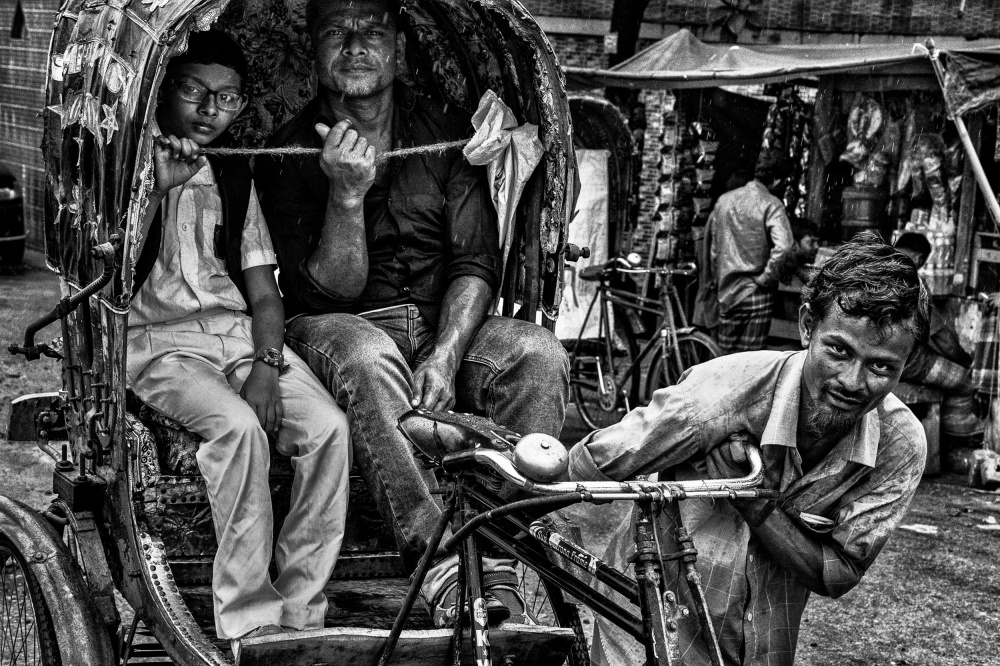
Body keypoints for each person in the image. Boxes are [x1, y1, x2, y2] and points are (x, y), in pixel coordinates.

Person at [254, 0, 569, 626]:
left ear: (398, 49)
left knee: (538, 355)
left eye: (372, 32)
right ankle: (441, 564)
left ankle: (499, 555)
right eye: (336, 32)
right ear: (313, 50)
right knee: (368, 354)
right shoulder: (286, 150)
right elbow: (330, 293)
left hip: (436, 323)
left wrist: (446, 356)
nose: (355, 45)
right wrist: (347, 195)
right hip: (333, 328)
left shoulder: (445, 131)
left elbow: (475, 262)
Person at [571, 232, 928, 665]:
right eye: (838, 350)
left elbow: (838, 573)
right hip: (647, 626)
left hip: (764, 645)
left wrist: (753, 502)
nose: (853, 382)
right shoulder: (721, 394)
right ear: (807, 327)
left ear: (907, 364)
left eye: (881, 366)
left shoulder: (899, 444)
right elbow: (593, 464)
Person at [126, 31, 351, 651]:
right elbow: (105, 279)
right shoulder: (126, 167)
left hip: (235, 333)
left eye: (226, 98)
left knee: (329, 429)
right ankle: (251, 621)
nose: (208, 109)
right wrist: (157, 191)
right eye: (193, 91)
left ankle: (301, 613)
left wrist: (266, 365)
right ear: (164, 90)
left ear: (241, 106)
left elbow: (264, 295)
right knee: (238, 429)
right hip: (155, 342)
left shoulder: (231, 172)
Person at [695, 151, 794, 353]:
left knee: (725, 359)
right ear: (776, 179)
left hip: (727, 293)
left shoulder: (724, 201)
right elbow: (784, 246)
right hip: (756, 293)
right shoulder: (771, 203)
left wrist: (718, 282)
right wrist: (766, 277)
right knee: (750, 362)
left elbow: (714, 252)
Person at [894, 231, 984, 442]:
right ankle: (955, 440)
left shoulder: (876, 270)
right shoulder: (914, 283)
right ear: (919, 258)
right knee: (968, 382)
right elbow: (941, 339)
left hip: (879, 355)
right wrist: (966, 361)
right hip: (908, 362)